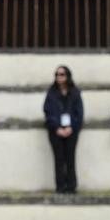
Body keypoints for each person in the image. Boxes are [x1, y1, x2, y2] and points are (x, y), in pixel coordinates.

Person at [43, 65, 84, 194]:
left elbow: (79, 113)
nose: (58, 77)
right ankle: (60, 186)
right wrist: (57, 128)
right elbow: (48, 111)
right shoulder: (51, 93)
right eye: (56, 74)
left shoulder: (75, 92)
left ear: (67, 76)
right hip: (56, 131)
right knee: (59, 158)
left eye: (61, 74)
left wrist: (72, 127)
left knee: (70, 157)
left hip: (72, 130)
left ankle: (71, 186)